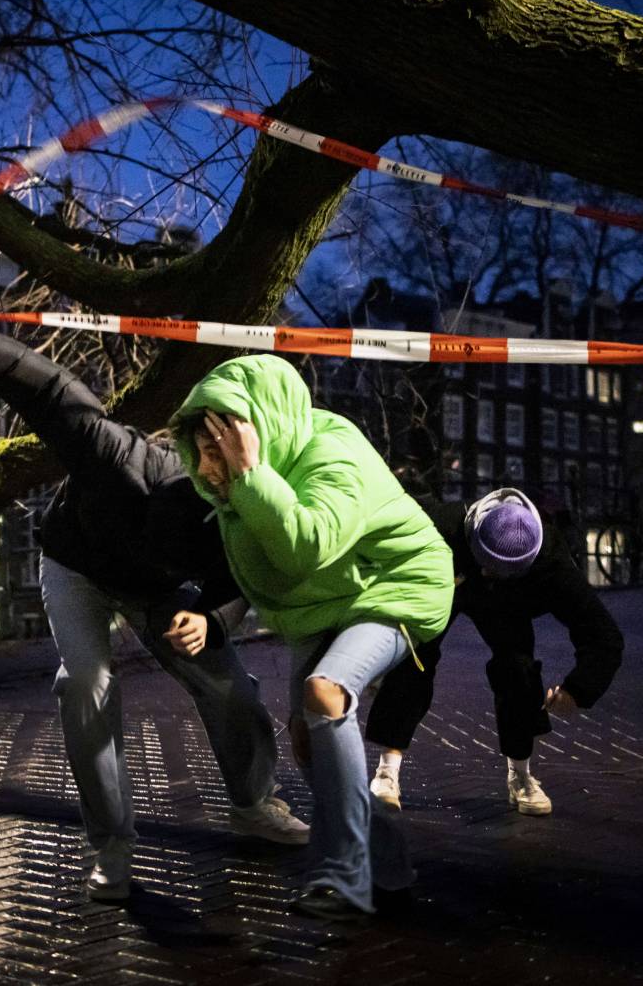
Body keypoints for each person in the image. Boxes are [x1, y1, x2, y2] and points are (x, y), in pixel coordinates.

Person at [0, 295, 308, 903]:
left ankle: (253, 803)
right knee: (87, 683)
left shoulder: (237, 514)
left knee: (229, 687)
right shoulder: (114, 455)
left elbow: (241, 578)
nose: (216, 478)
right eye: (205, 465)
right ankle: (111, 845)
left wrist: (210, 619)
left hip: (159, 590)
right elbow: (52, 390)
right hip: (77, 565)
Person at [173, 355, 453, 920]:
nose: (204, 468)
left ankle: (346, 878)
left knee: (325, 694)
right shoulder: (240, 483)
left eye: (215, 451)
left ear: (258, 433)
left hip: (399, 587)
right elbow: (257, 568)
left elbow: (305, 548)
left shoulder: (333, 453)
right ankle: (390, 868)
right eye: (200, 451)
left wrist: (251, 473)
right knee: (310, 743)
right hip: (325, 603)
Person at [363, 487, 625, 816]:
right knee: (415, 657)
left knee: (518, 668)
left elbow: (603, 633)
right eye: (487, 565)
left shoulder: (550, 562)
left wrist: (579, 689)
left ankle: (521, 776)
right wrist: (377, 657)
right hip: (449, 578)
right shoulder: (442, 527)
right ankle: (387, 770)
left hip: (507, 601)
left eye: (498, 570)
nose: (489, 573)